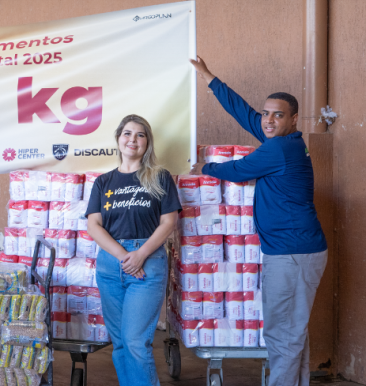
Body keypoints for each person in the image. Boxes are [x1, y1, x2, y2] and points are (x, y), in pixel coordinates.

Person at [189, 56, 327, 386]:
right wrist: (209, 77)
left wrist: (203, 169)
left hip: (292, 254)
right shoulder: (282, 140)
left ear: (293, 119)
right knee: (293, 331)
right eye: (266, 113)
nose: (267, 120)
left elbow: (237, 171)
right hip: (292, 252)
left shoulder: (280, 149)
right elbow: (244, 112)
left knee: (282, 332)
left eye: (277, 115)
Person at [85, 114, 181, 386]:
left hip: (147, 262)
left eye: (140, 135)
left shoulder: (159, 177)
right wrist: (122, 256)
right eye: (127, 133)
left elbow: (168, 222)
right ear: (118, 139)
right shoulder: (103, 182)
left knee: (136, 341)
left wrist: (140, 255)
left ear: (147, 142)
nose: (133, 139)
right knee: (120, 344)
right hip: (110, 265)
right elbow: (94, 225)